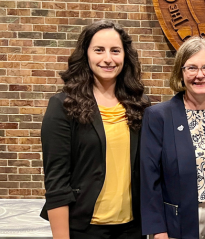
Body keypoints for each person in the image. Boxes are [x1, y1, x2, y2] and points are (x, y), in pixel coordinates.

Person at [41, 20, 150, 239]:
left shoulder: (140, 105)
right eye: (99, 50)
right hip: (85, 229)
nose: (108, 59)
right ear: (86, 54)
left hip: (132, 229)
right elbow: (57, 183)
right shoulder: (63, 106)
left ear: (125, 57)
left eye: (115, 51)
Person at [140, 37, 205, 239]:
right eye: (191, 68)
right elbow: (149, 180)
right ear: (181, 72)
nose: (200, 75)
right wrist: (158, 231)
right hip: (177, 225)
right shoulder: (159, 116)